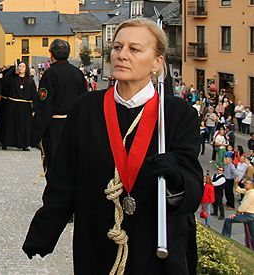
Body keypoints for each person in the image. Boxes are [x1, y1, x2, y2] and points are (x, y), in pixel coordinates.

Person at [23, 18, 202, 274]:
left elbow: (192, 188)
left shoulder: (177, 114)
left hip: (158, 249)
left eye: (135, 49)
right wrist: (44, 231)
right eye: (118, 47)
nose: (122, 55)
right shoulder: (86, 108)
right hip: (98, 245)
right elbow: (64, 179)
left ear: (157, 62)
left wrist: (177, 178)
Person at [30, 38, 87, 175]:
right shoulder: (78, 74)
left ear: (51, 54)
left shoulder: (49, 74)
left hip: (55, 126)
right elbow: (85, 100)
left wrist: (35, 133)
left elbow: (44, 104)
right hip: (74, 125)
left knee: (54, 163)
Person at [0, 62, 36, 150]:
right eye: (20, 66)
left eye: (23, 66)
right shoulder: (12, 78)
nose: (21, 68)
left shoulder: (30, 80)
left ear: (26, 68)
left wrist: (34, 109)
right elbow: (4, 80)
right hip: (12, 104)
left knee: (23, 126)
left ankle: (23, 145)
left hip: (25, 106)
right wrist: (12, 69)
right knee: (10, 124)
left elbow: (34, 95)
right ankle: (6, 143)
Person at [221, 179, 254, 249]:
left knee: (228, 220)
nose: (245, 184)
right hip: (250, 215)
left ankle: (225, 237)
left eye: (247, 183)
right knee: (252, 234)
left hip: (249, 215)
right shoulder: (248, 191)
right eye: (245, 183)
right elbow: (238, 190)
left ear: (252, 186)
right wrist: (236, 183)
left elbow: (243, 206)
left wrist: (235, 214)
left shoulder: (251, 194)